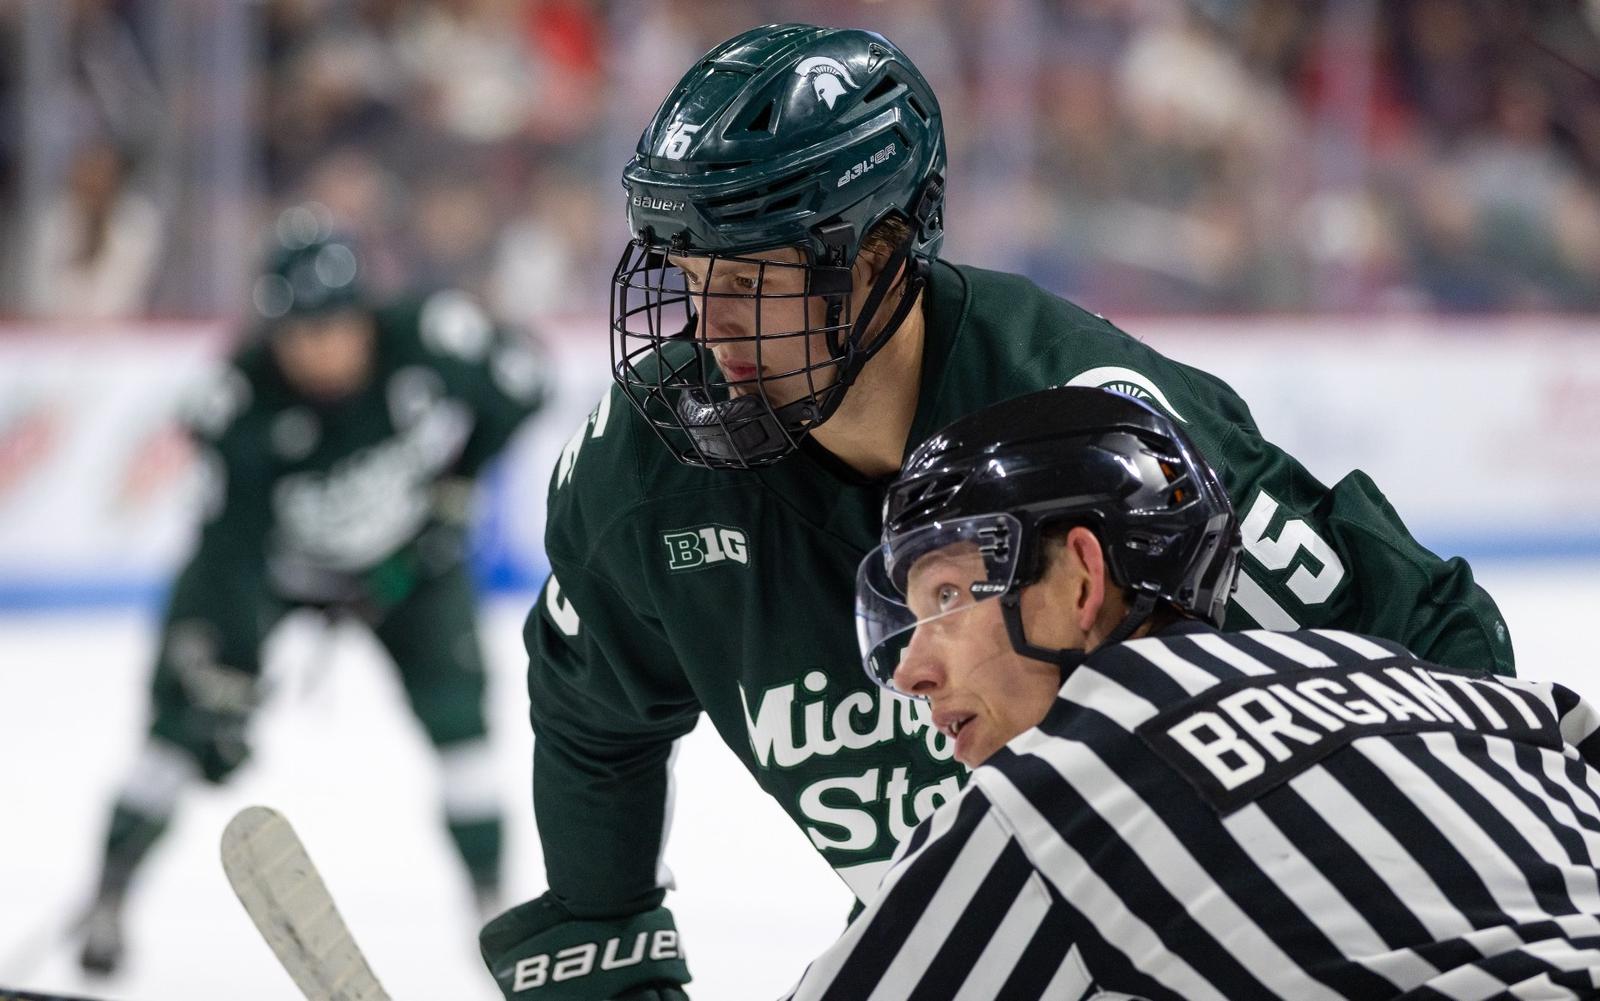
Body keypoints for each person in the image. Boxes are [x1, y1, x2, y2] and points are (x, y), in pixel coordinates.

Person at [479, 24, 1514, 1000]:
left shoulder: (1098, 421)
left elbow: (1423, 640)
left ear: (878, 255)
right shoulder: (643, 471)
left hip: (1215, 924)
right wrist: (599, 929)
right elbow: (593, 720)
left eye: (749, 277)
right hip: (979, 914)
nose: (708, 329)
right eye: (685, 274)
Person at [786, 385, 1600, 1000]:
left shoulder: (1051, 800)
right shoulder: (1426, 684)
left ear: (1080, 578)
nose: (909, 670)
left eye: (950, 599)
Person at [79, 205, 548, 977]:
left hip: (406, 567)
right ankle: (110, 893)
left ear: (363, 314)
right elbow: (228, 547)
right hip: (272, 571)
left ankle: (488, 898)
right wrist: (223, 671)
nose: (318, 349)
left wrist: (457, 488)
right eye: (298, 331)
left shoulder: (428, 336)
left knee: (462, 727)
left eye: (333, 325)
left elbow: (519, 389)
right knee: (176, 729)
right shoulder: (241, 396)